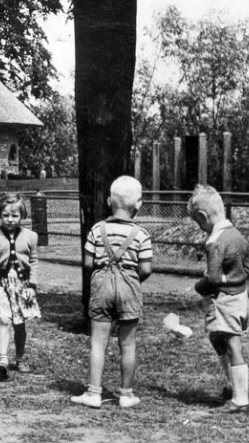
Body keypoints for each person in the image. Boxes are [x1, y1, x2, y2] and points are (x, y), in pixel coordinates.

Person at [71, 175, 153, 409]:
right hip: (129, 288)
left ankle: (93, 392)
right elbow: (146, 268)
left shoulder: (97, 230)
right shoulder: (141, 234)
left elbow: (88, 264)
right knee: (128, 344)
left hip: (102, 286)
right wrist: (132, 279)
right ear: (139, 205)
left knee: (98, 343)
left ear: (109, 201)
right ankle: (126, 394)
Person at [188, 184, 249, 414]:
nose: (200, 227)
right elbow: (247, 269)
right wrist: (233, 278)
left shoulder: (214, 242)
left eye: (198, 222)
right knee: (217, 337)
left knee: (232, 345)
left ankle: (240, 398)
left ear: (204, 216)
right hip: (241, 297)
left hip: (225, 301)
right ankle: (232, 385)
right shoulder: (239, 236)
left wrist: (199, 286)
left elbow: (212, 278)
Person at [0, 193, 40, 381]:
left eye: (15, 216)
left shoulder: (30, 236)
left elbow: (34, 262)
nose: (10, 220)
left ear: (22, 216)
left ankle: (20, 357)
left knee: (19, 323)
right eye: (6, 215)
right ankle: (2, 359)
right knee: (4, 319)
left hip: (21, 285)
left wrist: (32, 286)